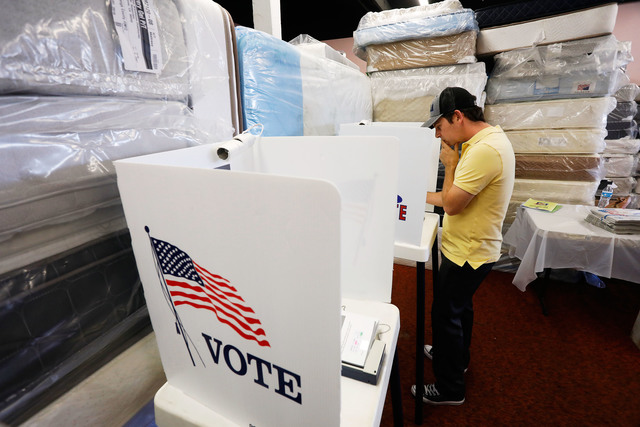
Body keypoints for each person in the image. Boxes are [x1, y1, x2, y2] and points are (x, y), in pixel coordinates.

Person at [412, 87, 515, 405]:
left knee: (446, 314)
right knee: (459, 310)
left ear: (457, 116)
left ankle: (450, 388)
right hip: (468, 248)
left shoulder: (485, 150)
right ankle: (454, 356)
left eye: (439, 127)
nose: (438, 135)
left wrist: (449, 165)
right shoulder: (483, 142)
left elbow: (452, 204)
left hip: (469, 252)